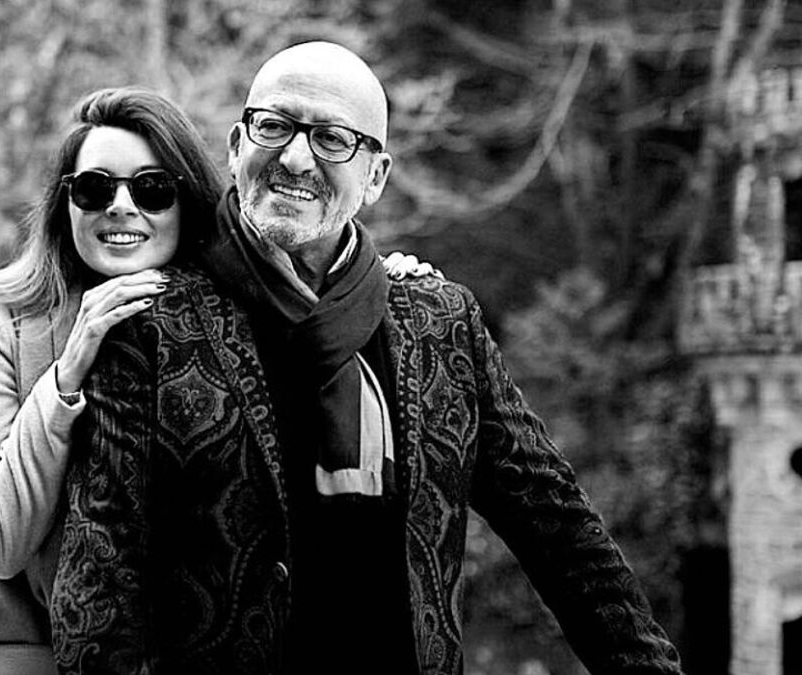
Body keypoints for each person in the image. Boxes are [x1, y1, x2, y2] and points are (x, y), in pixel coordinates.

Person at [50, 42, 685, 674]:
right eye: (274, 127)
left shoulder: (439, 324)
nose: (295, 158)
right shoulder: (152, 329)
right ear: (237, 146)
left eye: (332, 139)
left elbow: (561, 533)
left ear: (376, 176)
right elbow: (99, 588)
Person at [0, 85, 438, 674]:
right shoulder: (4, 316)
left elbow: (315, 300)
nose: (121, 207)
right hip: (16, 652)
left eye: (153, 190)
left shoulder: (222, 318)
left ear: (187, 204)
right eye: (94, 188)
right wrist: (64, 379)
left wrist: (376, 287)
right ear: (65, 203)